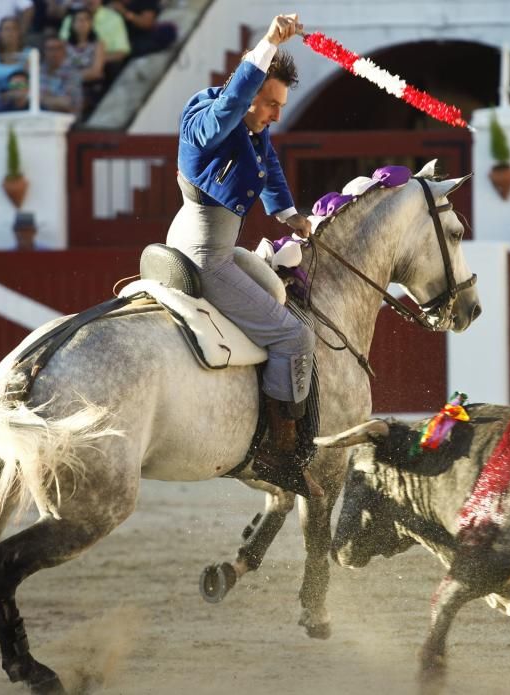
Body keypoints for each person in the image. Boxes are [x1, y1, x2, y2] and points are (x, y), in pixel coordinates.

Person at [169, 13, 322, 498]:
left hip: (212, 246)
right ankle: (279, 454)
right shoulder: (211, 122)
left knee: (278, 293)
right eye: (271, 104)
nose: (276, 114)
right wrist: (265, 47)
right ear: (251, 90)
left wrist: (290, 214)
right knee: (294, 336)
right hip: (203, 258)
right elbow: (234, 101)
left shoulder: (253, 128)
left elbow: (269, 165)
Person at [59, 0, 129, 77]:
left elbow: (121, 52)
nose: (91, 1)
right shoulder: (70, 18)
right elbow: (61, 46)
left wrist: (95, 59)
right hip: (71, 65)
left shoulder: (114, 18)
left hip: (104, 67)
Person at [65, 5, 106, 118]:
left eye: (86, 20)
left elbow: (96, 71)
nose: (82, 23)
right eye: (79, 20)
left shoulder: (98, 45)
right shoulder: (64, 45)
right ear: (72, 24)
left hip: (88, 86)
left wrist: (72, 76)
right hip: (67, 86)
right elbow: (62, 68)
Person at [0, 16, 31, 94]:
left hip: (21, 96)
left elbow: (29, 82)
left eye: (14, 29)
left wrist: (11, 93)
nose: (10, 33)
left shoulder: (29, 54)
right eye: (6, 29)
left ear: (19, 33)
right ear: (0, 33)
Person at [40, 34, 82, 115]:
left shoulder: (73, 73)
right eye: (50, 49)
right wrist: (53, 100)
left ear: (64, 51)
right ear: (44, 51)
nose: (54, 53)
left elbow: (66, 103)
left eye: (58, 49)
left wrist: (41, 99)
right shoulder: (38, 71)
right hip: (41, 118)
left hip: (66, 121)